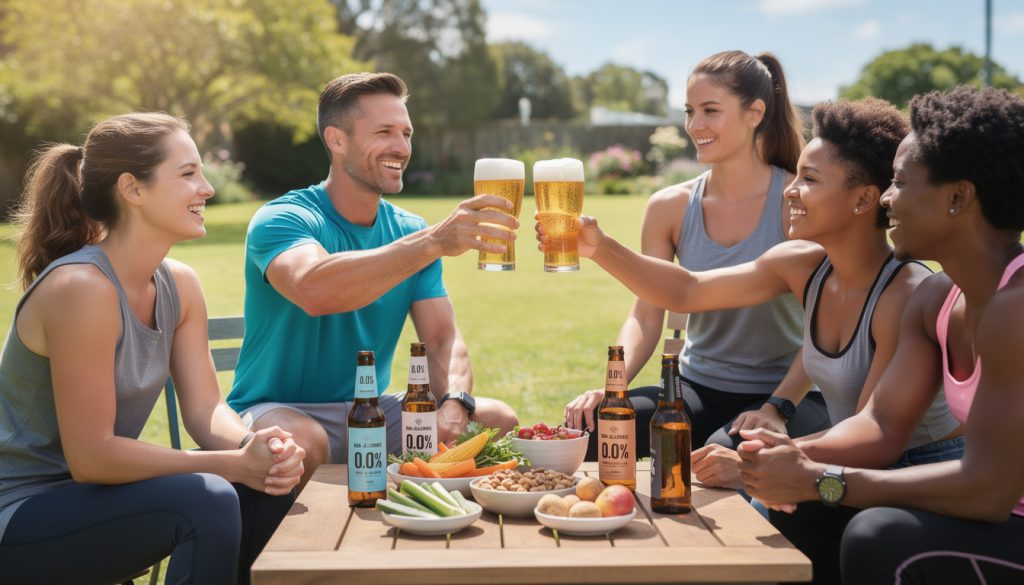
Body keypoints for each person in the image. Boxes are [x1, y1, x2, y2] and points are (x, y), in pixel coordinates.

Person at [0, 113, 305, 585]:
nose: (207, 189)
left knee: (269, 485)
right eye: (188, 174)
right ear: (133, 189)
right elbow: (92, 457)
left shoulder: (180, 284)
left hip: (101, 500)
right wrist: (232, 465)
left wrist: (256, 448)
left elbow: (206, 410)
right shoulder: (81, 287)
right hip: (22, 516)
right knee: (210, 498)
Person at [737, 86, 1024, 585]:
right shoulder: (935, 299)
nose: (887, 200)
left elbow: (988, 491)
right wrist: (785, 458)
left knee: (879, 534)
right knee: (803, 510)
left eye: (899, 183)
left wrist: (823, 480)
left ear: (958, 197)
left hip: (999, 510)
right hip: (994, 514)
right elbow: (882, 426)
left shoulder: (1015, 308)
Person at [227, 72, 518, 488]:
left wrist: (455, 402)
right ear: (337, 139)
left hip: (371, 411)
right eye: (384, 132)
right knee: (302, 440)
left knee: (495, 420)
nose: (401, 147)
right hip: (277, 408)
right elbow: (315, 289)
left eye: (406, 133)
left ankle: (436, 544)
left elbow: (441, 338)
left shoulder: (409, 231)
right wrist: (432, 241)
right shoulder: (284, 218)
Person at [563, 50, 829, 458]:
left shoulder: (795, 200)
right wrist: (612, 388)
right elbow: (645, 313)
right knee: (595, 431)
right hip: (695, 387)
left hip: (784, 394)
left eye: (710, 110)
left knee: (730, 451)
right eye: (689, 111)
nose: (695, 125)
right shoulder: (669, 206)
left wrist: (777, 407)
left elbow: (822, 328)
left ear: (754, 112)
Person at [686, 99, 964, 491]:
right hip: (858, 456)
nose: (790, 192)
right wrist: (598, 246)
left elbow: (876, 434)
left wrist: (764, 462)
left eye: (810, 180)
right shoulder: (806, 265)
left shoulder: (908, 292)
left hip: (917, 468)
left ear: (864, 199)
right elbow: (688, 290)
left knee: (760, 497)